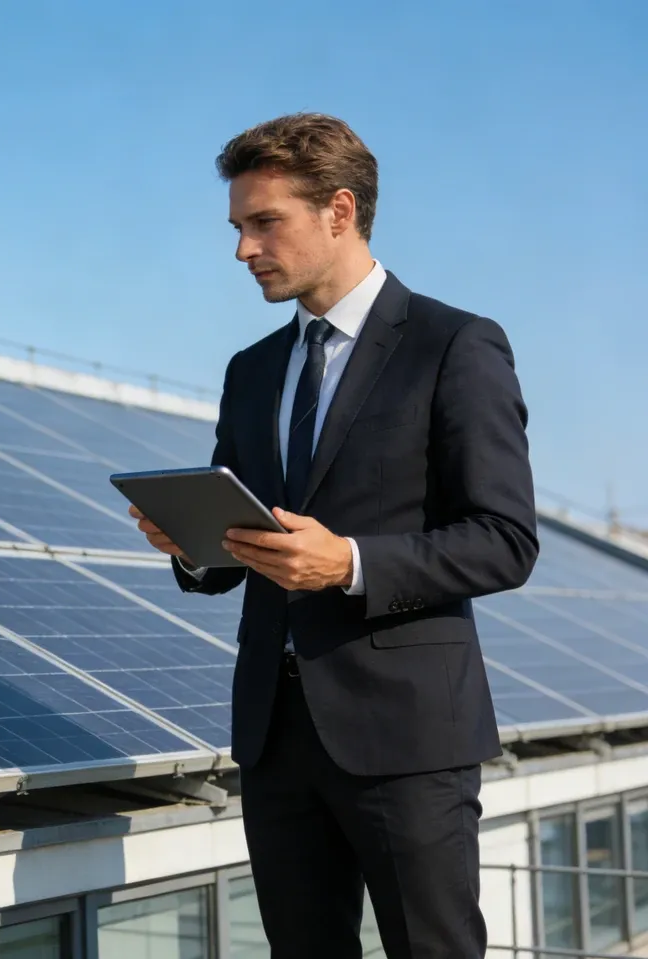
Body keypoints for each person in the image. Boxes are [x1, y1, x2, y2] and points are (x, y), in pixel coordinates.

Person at [132, 113, 538, 958]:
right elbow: (236, 554)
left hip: (405, 740)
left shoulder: (454, 344)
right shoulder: (251, 371)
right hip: (276, 738)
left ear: (339, 211)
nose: (243, 249)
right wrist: (191, 543)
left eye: (263, 222)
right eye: (238, 227)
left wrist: (349, 563)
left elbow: (505, 537)